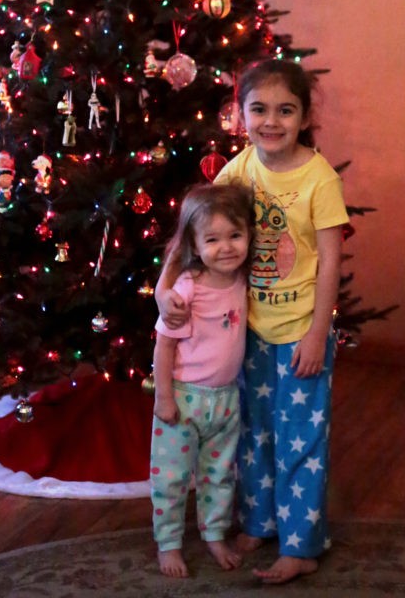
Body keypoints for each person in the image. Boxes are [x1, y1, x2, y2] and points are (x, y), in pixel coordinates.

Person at [157, 58, 349, 584]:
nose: (271, 121)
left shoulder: (320, 180)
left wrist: (317, 333)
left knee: (300, 441)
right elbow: (189, 232)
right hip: (248, 335)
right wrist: (163, 289)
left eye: (286, 110)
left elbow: (331, 262)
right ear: (240, 115)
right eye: (259, 109)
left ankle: (301, 544)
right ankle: (260, 522)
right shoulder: (238, 170)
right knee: (253, 433)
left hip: (301, 335)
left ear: (305, 117)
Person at [150, 182, 254, 578]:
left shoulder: (242, 278)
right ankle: (169, 544)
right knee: (172, 478)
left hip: (226, 399)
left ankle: (214, 534)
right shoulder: (185, 290)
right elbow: (164, 346)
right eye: (212, 239)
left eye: (235, 235)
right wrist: (163, 398)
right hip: (183, 400)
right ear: (194, 244)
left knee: (220, 476)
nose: (226, 247)